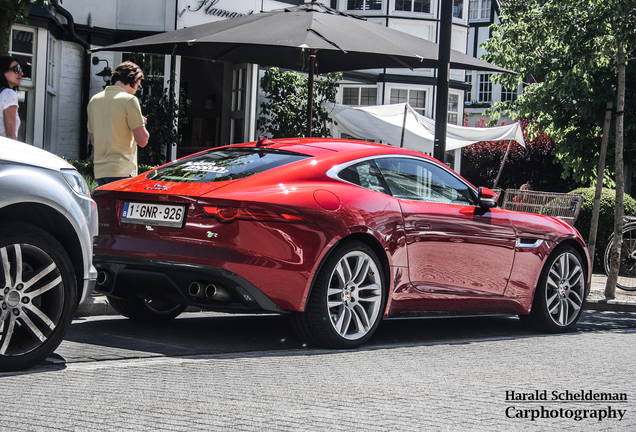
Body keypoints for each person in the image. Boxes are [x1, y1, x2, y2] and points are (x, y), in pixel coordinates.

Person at [87, 61, 149, 186]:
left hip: (100, 171)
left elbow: (93, 141)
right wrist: (141, 121)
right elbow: (143, 140)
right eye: (139, 83)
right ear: (133, 79)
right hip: (123, 170)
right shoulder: (130, 100)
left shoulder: (94, 100)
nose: (138, 88)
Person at [0, 56, 23, 140]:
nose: (21, 73)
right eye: (16, 69)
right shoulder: (9, 93)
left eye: (20, 70)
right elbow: (10, 134)